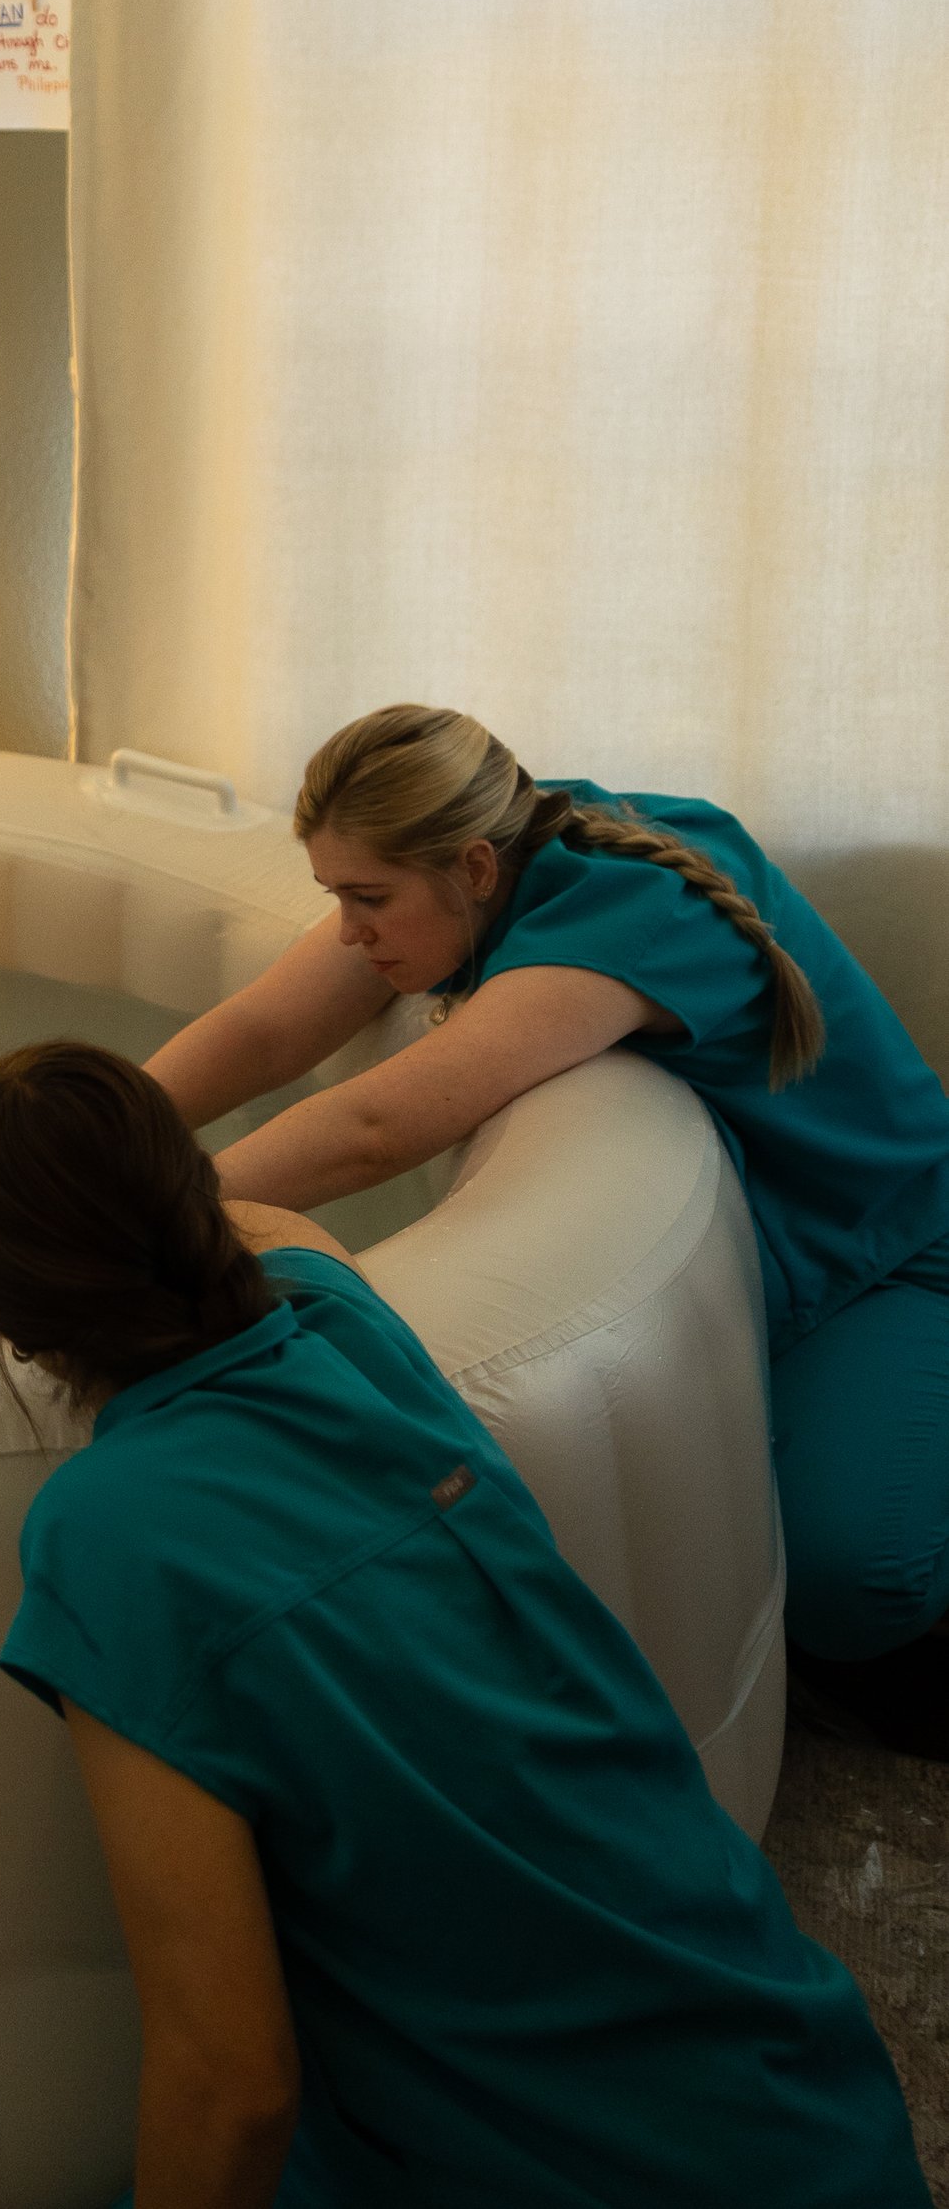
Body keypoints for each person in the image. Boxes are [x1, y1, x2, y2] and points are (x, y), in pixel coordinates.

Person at [0, 1036, 926, 2209]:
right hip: (812, 2104)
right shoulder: (348, 1338)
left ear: (12, 1315)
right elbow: (266, 1231)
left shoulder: (109, 1533)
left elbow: (233, 2083)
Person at [146, 702, 949, 1755]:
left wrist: (135, 1219)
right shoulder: (486, 847)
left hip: (895, 1254)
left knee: (852, 1580)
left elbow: (375, 1127)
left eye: (366, 901)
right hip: (794, 1251)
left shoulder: (629, 911)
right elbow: (262, 1029)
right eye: (334, 896)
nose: (347, 931)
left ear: (474, 868)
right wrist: (69, 1146)